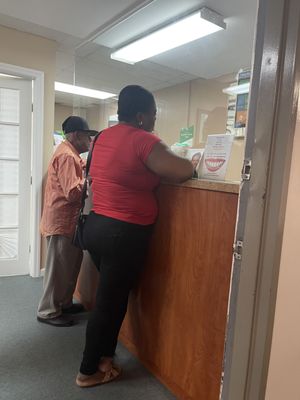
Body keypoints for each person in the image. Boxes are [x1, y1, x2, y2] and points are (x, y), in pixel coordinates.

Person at [76, 85, 193, 387]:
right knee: (109, 302)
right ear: (141, 116)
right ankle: (89, 370)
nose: (154, 120)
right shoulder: (143, 139)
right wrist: (176, 153)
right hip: (122, 232)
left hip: (98, 227)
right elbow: (182, 170)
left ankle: (104, 359)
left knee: (112, 299)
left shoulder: (103, 136)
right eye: (153, 114)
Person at [37, 116, 98, 327]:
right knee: (58, 270)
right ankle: (48, 311)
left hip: (67, 223)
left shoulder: (70, 153)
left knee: (70, 266)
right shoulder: (67, 156)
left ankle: (64, 303)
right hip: (61, 222)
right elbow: (72, 192)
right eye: (87, 136)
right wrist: (89, 181)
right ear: (75, 135)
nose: (89, 141)